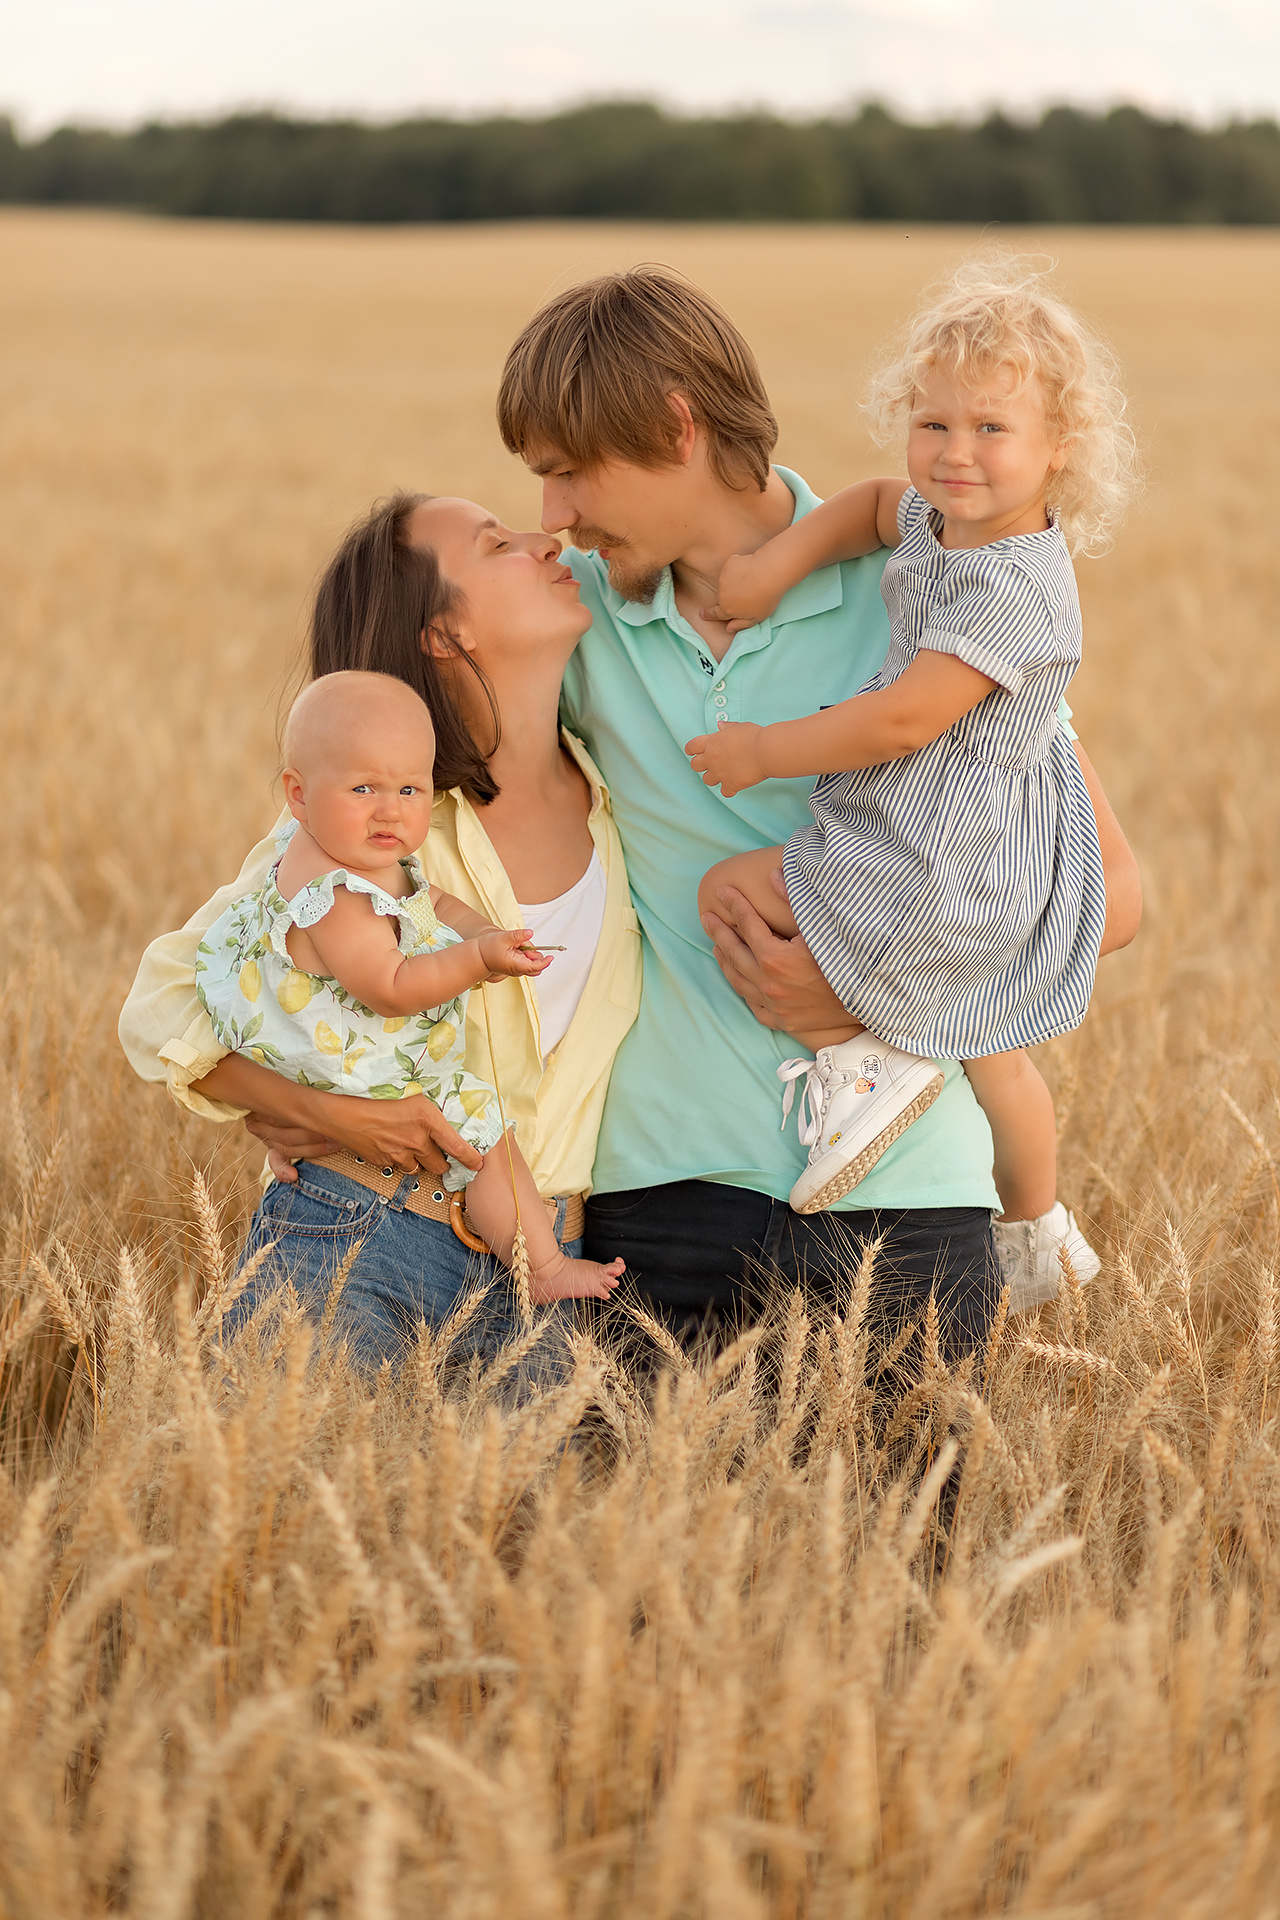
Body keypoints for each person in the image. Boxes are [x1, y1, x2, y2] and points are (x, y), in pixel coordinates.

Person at [496, 263, 1141, 1343]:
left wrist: (867, 993)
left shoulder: (933, 591)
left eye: (571, 474)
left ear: (676, 425)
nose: (552, 516)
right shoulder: (573, 622)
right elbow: (389, 811)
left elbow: (1108, 899)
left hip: (915, 1197)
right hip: (660, 1188)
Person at [685, 259, 1136, 1300]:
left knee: (730, 891)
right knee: (997, 1052)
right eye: (931, 425)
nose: (953, 454)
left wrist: (761, 751)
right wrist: (778, 562)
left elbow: (900, 720)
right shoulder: (952, 519)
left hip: (945, 852)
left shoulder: (1012, 591)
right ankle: (1035, 1230)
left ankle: (862, 1056)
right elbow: (874, 505)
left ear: (1058, 451)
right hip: (979, 838)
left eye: (989, 430)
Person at [119, 492, 641, 1366]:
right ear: (443, 632)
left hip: (551, 1265)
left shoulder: (625, 805)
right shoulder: (379, 831)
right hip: (358, 1226)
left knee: (517, 1511)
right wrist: (316, 1111)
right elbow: (160, 1003)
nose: (542, 536)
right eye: (497, 543)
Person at [197, 668, 624, 1305]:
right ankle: (543, 1266)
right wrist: (478, 960)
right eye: (363, 787)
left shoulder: (369, 858)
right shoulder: (333, 890)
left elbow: (433, 905)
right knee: (477, 1123)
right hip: (360, 1073)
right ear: (298, 793)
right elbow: (390, 986)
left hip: (338, 1068)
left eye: (409, 788)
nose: (390, 809)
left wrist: (489, 933)